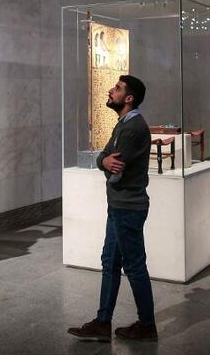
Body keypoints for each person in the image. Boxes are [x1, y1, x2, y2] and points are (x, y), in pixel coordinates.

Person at [68, 74, 158, 342]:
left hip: (127, 207)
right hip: (119, 206)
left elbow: (115, 172)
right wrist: (104, 161)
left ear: (129, 98)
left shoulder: (132, 128)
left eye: (117, 88)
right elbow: (104, 156)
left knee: (134, 266)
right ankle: (102, 322)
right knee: (110, 261)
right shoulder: (123, 124)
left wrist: (106, 164)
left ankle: (147, 325)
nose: (110, 90)